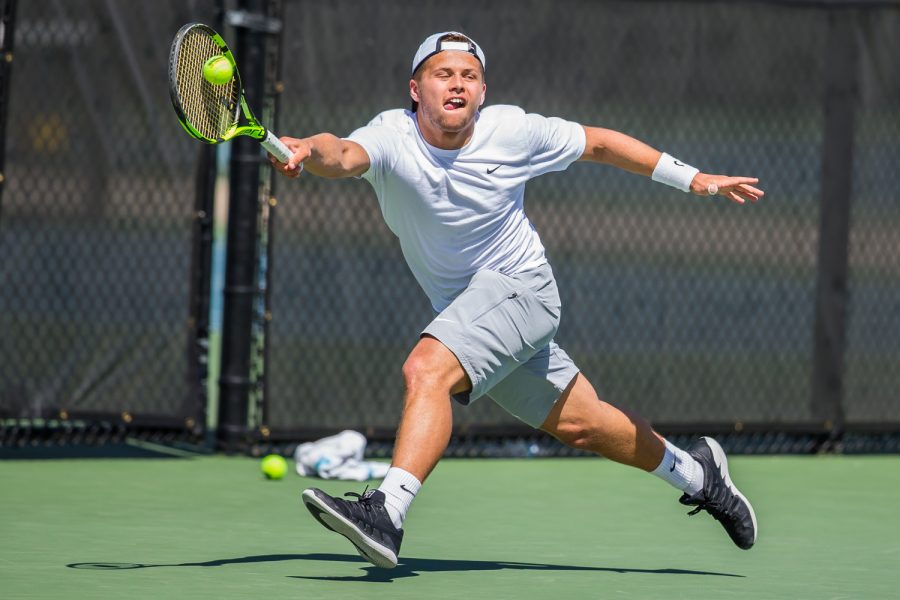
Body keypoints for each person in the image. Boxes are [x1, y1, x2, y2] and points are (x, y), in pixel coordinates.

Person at [269, 31, 763, 570]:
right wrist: (305, 150)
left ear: (483, 92)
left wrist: (691, 179)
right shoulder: (391, 135)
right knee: (585, 424)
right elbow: (339, 153)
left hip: (522, 289)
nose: (457, 84)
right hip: (475, 313)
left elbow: (598, 142)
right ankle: (699, 474)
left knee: (426, 369)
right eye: (443, 74)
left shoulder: (514, 131)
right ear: (416, 89)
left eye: (469, 76)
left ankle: (386, 511)